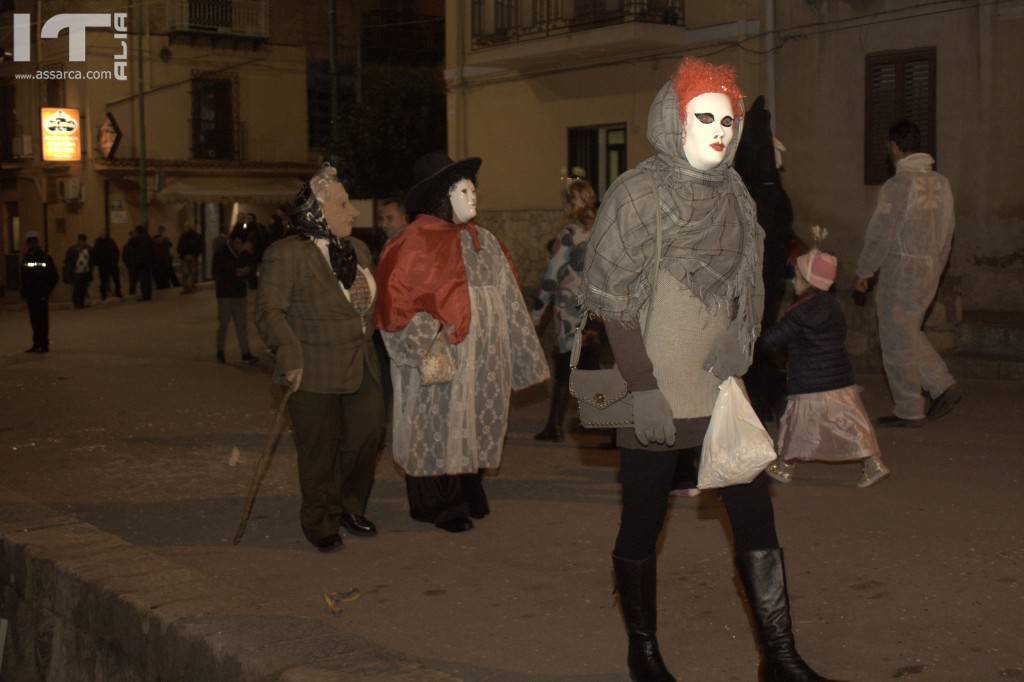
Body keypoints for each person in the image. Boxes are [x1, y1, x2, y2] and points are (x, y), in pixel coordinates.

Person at [581, 58, 844, 681]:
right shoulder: (637, 195)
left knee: (755, 512)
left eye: (729, 120)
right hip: (650, 390)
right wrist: (642, 390)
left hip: (720, 392)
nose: (720, 131)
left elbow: (748, 291)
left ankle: (778, 658)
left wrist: (742, 343)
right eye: (706, 117)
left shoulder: (736, 198)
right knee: (643, 521)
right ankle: (642, 652)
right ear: (675, 122)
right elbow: (612, 303)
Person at [375, 152, 549, 533]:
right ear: (442, 196)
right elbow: (394, 306)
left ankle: (469, 490)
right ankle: (437, 504)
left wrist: (513, 349)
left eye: (474, 189)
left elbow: (508, 297)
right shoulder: (411, 244)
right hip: (441, 355)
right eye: (463, 190)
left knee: (473, 417)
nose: (473, 197)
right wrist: (428, 339)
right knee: (434, 422)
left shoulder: (483, 241)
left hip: (481, 356)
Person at [257, 165, 385, 552]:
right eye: (343, 204)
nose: (355, 212)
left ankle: (348, 504)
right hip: (312, 366)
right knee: (319, 449)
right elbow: (269, 312)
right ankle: (319, 520)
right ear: (317, 211)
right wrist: (289, 354)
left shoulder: (358, 249)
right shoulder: (286, 254)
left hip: (360, 362)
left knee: (368, 435)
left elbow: (366, 306)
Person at [855, 119, 960, 427]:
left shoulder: (898, 186)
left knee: (895, 337)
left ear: (894, 146)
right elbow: (949, 230)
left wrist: (865, 270)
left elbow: (881, 233)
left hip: (902, 270)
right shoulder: (942, 183)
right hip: (931, 267)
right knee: (908, 330)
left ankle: (909, 408)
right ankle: (942, 385)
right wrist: (937, 267)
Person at [762, 249, 890, 488]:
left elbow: (772, 339)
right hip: (838, 378)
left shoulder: (800, 313)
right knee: (850, 423)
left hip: (809, 380)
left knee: (799, 425)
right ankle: (873, 462)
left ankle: (785, 465)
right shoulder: (833, 306)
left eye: (797, 277)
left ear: (809, 282)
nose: (793, 281)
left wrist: (756, 336)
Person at [531, 178, 599, 442]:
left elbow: (552, 275)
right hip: (596, 309)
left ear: (573, 203)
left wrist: (537, 315)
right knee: (590, 364)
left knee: (564, 367)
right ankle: (597, 420)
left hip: (570, 312)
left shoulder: (569, 234)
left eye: (567, 202)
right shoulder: (602, 229)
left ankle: (554, 426)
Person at [212, 229, 258, 365]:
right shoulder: (221, 253)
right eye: (237, 243)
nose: (239, 246)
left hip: (239, 294)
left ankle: (246, 353)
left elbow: (251, 271)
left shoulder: (244, 254)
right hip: (225, 295)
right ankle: (220, 350)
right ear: (231, 242)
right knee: (224, 324)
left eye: (241, 243)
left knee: (241, 325)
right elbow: (217, 273)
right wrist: (235, 272)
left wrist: (248, 273)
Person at [20, 231, 58, 353]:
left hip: (41, 294)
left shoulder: (45, 257)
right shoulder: (26, 258)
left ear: (37, 243)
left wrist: (46, 292)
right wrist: (24, 293)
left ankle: (44, 344)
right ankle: (36, 344)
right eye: (29, 242)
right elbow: (24, 277)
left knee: (42, 320)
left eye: (33, 242)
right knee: (34, 320)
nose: (31, 244)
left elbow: (54, 277)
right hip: (31, 295)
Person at [124, 225, 155, 301]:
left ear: (137, 232)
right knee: (148, 279)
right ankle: (148, 295)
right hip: (148, 262)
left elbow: (130, 243)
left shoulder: (137, 238)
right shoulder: (148, 237)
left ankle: (144, 296)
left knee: (143, 280)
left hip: (140, 262)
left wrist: (133, 236)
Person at [63, 234, 92, 308]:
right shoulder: (73, 249)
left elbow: (92, 259)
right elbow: (68, 260)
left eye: (83, 241)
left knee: (83, 288)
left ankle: (81, 303)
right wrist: (70, 268)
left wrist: (91, 267)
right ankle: (76, 304)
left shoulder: (89, 249)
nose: (81, 242)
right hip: (76, 272)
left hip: (86, 272)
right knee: (76, 289)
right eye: (80, 240)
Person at [92, 231, 123, 300]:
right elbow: (95, 253)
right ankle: (103, 295)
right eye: (102, 234)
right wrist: (96, 263)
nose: (103, 235)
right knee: (103, 280)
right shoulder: (98, 242)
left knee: (116, 279)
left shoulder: (111, 241)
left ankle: (118, 292)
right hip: (103, 265)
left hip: (112, 264)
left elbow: (116, 251)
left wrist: (115, 261)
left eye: (104, 234)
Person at [177, 223, 204, 294]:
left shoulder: (183, 236)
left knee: (185, 273)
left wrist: (181, 254)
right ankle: (191, 286)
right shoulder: (197, 236)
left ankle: (186, 288)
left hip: (185, 256)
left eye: (186, 227)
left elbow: (180, 246)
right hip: (193, 256)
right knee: (192, 272)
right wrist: (196, 254)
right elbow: (200, 247)